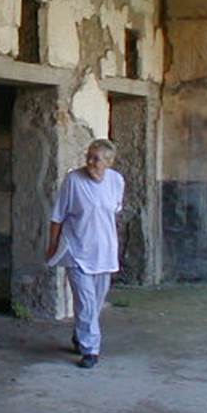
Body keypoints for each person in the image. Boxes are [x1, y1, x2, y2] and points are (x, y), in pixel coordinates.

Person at [44, 139, 124, 369]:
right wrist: (52, 244)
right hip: (77, 249)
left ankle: (81, 334)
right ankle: (91, 350)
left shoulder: (116, 181)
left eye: (96, 158)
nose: (89, 161)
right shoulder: (73, 181)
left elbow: (113, 210)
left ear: (108, 162)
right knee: (86, 302)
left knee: (95, 302)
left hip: (104, 250)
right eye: (88, 156)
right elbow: (57, 216)